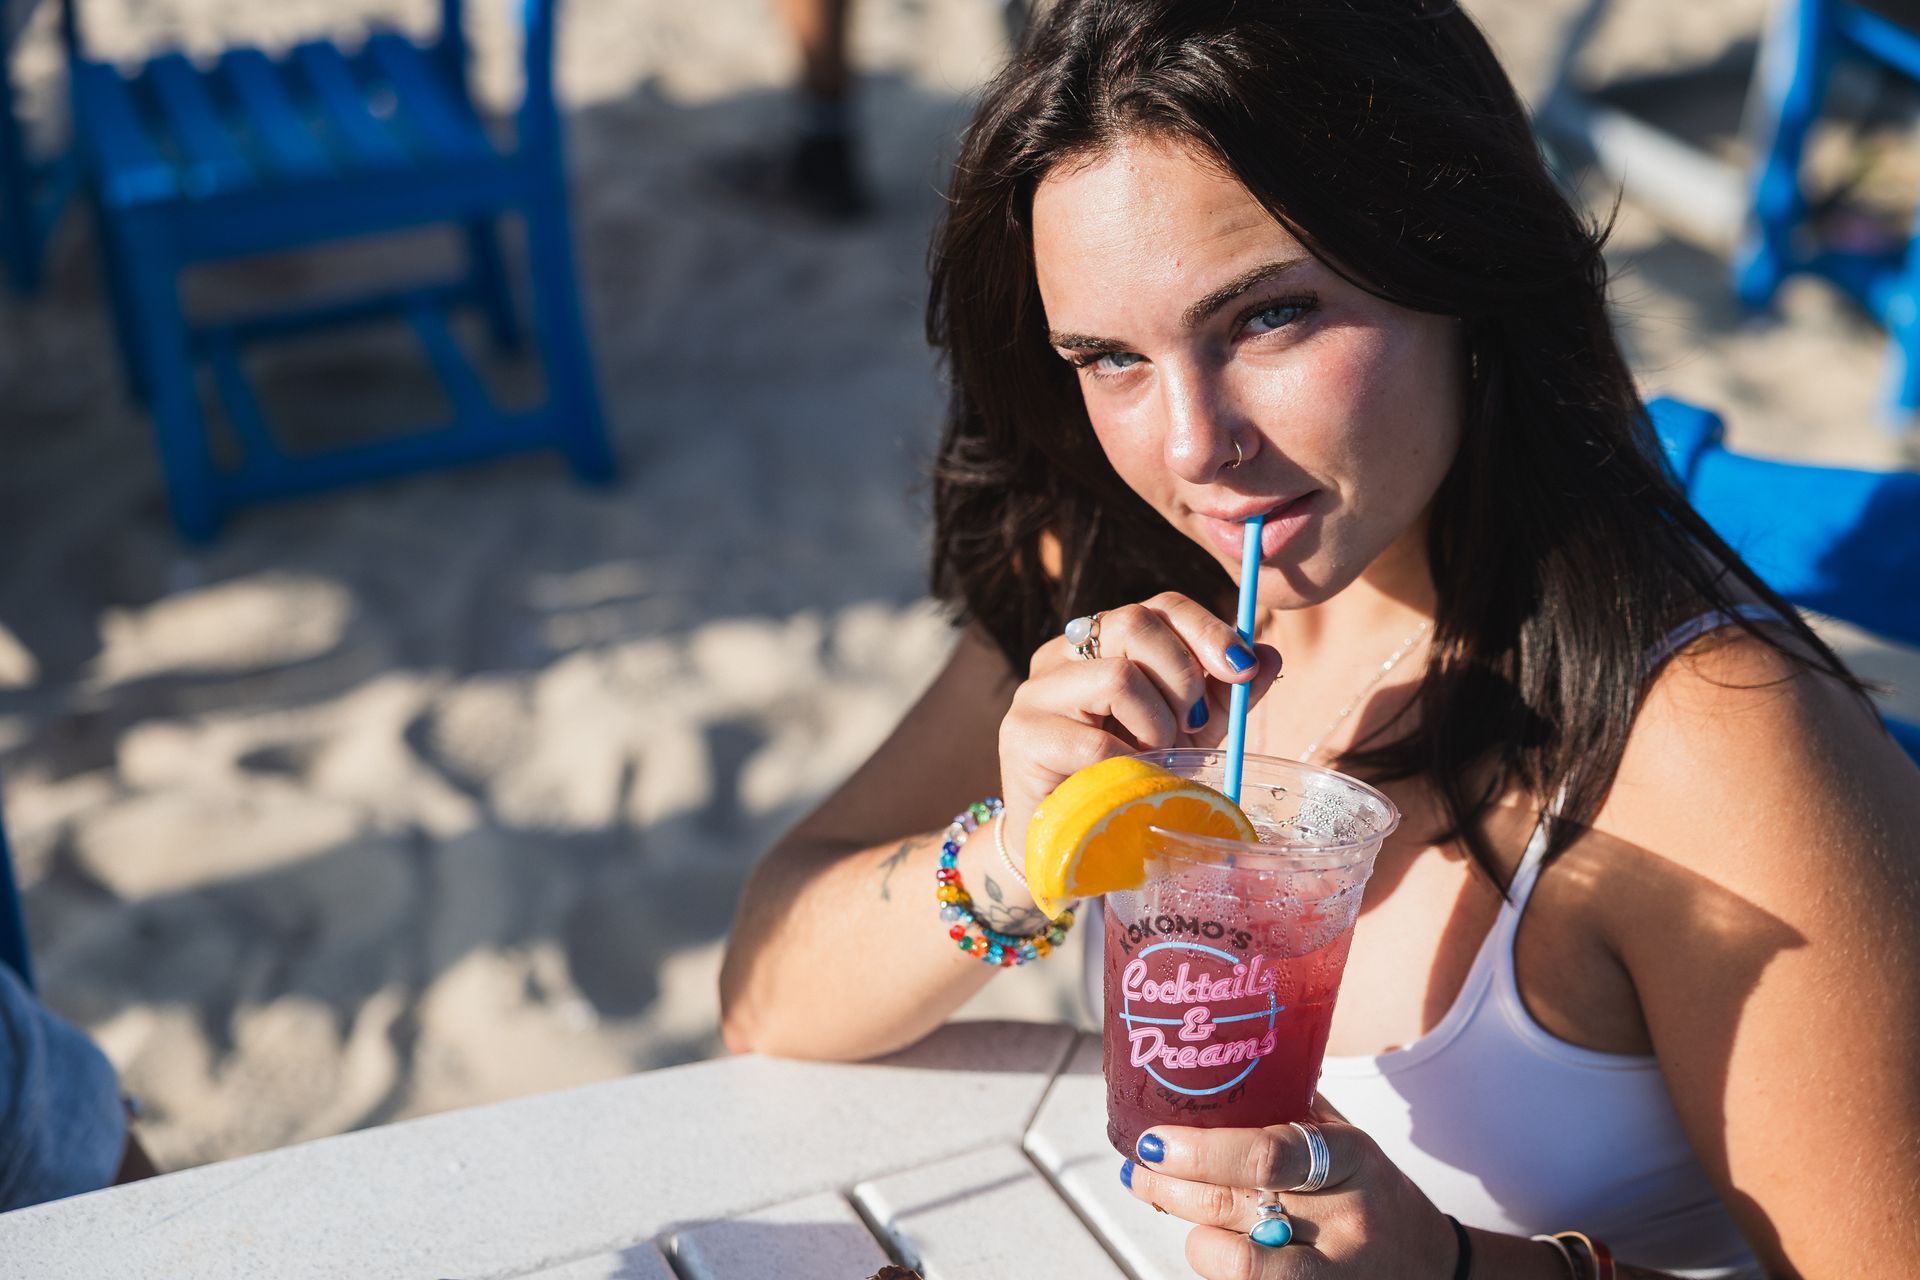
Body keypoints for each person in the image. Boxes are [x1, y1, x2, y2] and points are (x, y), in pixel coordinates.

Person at [719, 1, 1920, 1276]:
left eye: (1266, 318)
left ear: (1455, 260)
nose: (1191, 446)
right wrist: (1023, 850)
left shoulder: (1709, 740)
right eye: (1110, 356)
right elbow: (768, 993)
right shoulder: (1125, 573)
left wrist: (1458, 1268)